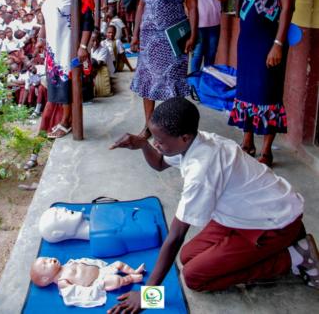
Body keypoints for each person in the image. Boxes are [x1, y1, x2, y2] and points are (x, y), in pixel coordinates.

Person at [108, 98, 319, 313]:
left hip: (274, 223)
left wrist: (147, 296)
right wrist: (142, 144)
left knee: (194, 277)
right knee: (186, 257)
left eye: (160, 141)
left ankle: (295, 256)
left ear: (184, 137)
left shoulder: (201, 171)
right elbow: (161, 164)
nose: (156, 144)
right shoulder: (195, 141)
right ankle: (274, 248)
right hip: (243, 215)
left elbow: (176, 237)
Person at [228, 0, 301, 167]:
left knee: (268, 91)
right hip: (247, 41)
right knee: (246, 90)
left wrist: (278, 43)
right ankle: (247, 142)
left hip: (270, 41)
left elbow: (288, 7)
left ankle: (267, 150)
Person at [130, 0, 198, 138]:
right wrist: (134, 34)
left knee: (172, 85)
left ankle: (172, 129)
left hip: (172, 37)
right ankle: (149, 126)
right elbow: (141, 5)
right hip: (149, 36)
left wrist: (193, 35)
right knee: (147, 81)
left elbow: (193, 5)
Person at [30, 0, 94, 141]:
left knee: (67, 85)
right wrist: (41, 39)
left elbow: (88, 20)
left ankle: (66, 122)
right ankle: (64, 119)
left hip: (69, 47)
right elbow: (47, 19)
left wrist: (83, 47)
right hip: (53, 48)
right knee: (56, 84)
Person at [30, 257, 144, 308]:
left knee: (119, 264)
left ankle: (134, 271)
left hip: (101, 271)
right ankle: (131, 278)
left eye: (46, 258)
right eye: (45, 264)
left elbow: (85, 263)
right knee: (116, 280)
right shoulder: (62, 282)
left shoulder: (68, 263)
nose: (49, 259)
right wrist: (97, 288)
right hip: (98, 282)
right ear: (46, 279)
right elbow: (79, 293)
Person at [191, 0, 228, 72]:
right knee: (197, 55)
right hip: (198, 26)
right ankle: (194, 85)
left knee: (211, 55)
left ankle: (206, 81)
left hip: (214, 26)